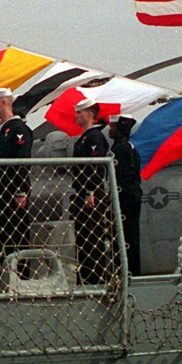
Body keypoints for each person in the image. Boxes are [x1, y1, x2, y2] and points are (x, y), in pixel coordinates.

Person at [0, 86, 34, 280]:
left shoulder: (18, 129)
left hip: (14, 192)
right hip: (0, 191)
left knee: (18, 234)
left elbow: (22, 160)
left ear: (4, 102)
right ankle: (7, 273)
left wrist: (21, 191)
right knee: (4, 235)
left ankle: (21, 276)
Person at [70, 97, 114, 285]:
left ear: (88, 114)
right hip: (82, 194)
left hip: (91, 195)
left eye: (79, 113)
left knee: (92, 238)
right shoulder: (86, 138)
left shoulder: (94, 138)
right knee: (84, 239)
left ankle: (94, 278)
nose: (76, 116)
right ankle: (86, 276)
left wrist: (91, 191)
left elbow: (95, 167)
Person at [109, 114, 143, 276]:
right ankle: (132, 271)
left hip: (125, 197)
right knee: (132, 235)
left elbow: (120, 176)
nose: (109, 129)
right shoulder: (130, 146)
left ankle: (126, 272)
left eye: (112, 126)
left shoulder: (120, 148)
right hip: (133, 194)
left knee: (124, 236)